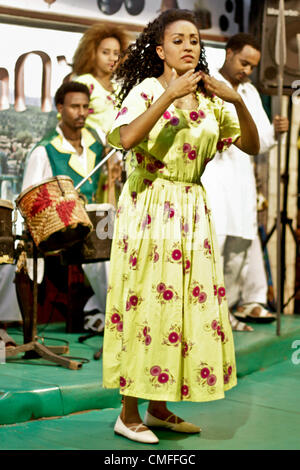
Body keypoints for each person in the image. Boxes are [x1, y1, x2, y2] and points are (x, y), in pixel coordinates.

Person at [102, 9, 259, 444]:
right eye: (178, 40)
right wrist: (169, 96)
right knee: (147, 305)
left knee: (182, 309)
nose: (189, 46)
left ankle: (158, 406)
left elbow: (250, 144)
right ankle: (128, 411)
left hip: (191, 208)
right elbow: (128, 139)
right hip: (150, 206)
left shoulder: (210, 98)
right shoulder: (146, 90)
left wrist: (237, 99)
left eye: (194, 40)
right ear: (160, 50)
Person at [201, 33, 289, 331]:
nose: (247, 71)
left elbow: (261, 141)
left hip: (241, 177)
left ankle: (227, 311)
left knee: (239, 244)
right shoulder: (207, 82)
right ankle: (208, 314)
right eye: (244, 63)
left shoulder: (250, 92)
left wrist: (276, 133)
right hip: (211, 174)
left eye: (252, 66)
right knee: (215, 242)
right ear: (229, 53)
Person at [22, 81, 104, 331]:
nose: (81, 112)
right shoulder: (44, 151)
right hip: (63, 230)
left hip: (97, 222)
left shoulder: (98, 144)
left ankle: (100, 309)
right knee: (104, 256)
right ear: (60, 108)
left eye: (85, 107)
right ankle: (108, 311)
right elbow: (30, 201)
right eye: (74, 106)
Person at [71, 24, 129, 332]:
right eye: (105, 52)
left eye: (116, 54)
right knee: (96, 240)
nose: (111, 59)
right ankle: (100, 307)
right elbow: (75, 125)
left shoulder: (121, 87)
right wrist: (105, 146)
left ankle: (108, 309)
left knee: (119, 240)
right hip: (94, 171)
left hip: (123, 175)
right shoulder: (83, 84)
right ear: (91, 52)